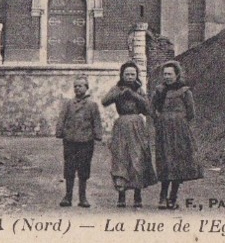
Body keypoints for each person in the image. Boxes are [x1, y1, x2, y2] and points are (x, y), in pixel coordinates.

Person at [102, 60, 156, 209]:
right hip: (121, 126)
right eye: (127, 74)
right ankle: (121, 195)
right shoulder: (117, 88)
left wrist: (133, 95)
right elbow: (105, 101)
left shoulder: (139, 90)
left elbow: (148, 109)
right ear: (122, 75)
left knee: (137, 158)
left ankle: (137, 195)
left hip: (137, 125)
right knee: (121, 158)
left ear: (137, 75)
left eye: (133, 74)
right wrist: (119, 93)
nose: (130, 77)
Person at [151, 60, 203, 209]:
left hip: (180, 132)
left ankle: (173, 197)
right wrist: (160, 121)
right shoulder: (159, 91)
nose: (167, 77)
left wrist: (178, 121)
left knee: (178, 162)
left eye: (170, 74)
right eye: (165, 74)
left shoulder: (185, 91)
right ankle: (162, 196)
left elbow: (191, 113)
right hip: (163, 131)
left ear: (177, 75)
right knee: (165, 161)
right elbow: (152, 109)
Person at [55, 74, 103, 208]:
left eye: (80, 86)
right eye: (75, 86)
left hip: (86, 142)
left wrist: (98, 135)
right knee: (69, 168)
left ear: (86, 88)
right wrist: (60, 132)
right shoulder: (68, 104)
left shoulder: (92, 105)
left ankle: (83, 197)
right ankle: (68, 196)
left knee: (84, 169)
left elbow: (96, 122)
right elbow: (61, 119)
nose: (77, 88)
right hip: (70, 141)